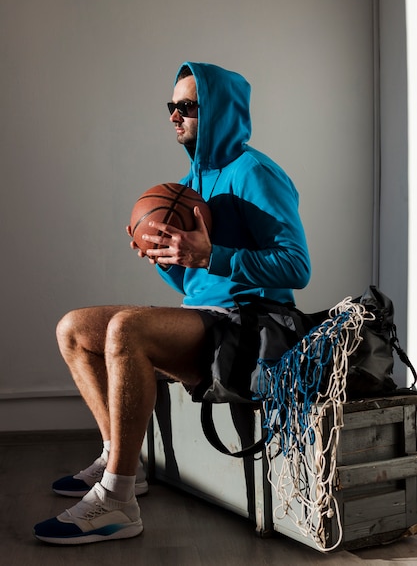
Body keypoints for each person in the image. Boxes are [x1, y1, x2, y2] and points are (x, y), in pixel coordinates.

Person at [33, 62, 311, 544]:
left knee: (126, 329)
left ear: (219, 112)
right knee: (74, 328)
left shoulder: (257, 174)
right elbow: (197, 282)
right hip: (206, 316)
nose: (174, 116)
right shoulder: (191, 183)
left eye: (187, 106)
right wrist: (164, 257)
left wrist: (212, 253)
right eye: (171, 106)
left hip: (255, 324)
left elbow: (296, 267)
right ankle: (124, 458)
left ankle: (117, 501)